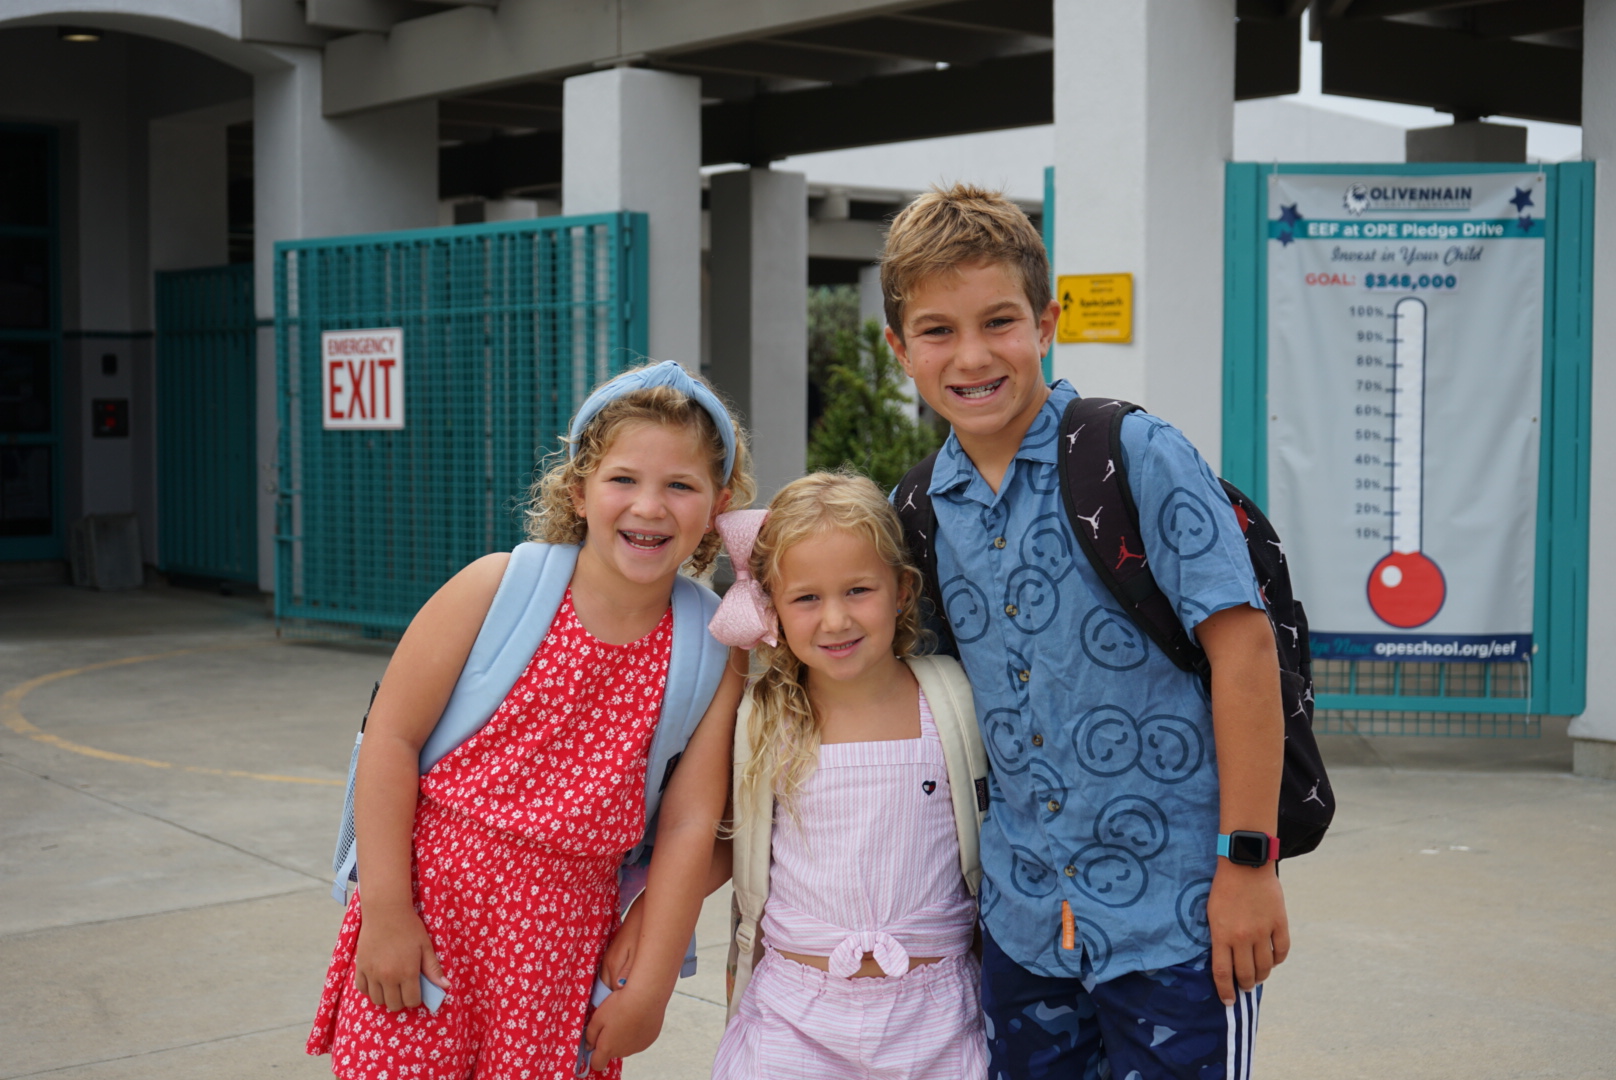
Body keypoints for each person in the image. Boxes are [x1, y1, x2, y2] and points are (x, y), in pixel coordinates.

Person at [881, 185, 1289, 1079]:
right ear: (899, 348)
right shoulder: (913, 512)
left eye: (999, 322)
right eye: (939, 331)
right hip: (1022, 929)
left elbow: (1243, 650)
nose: (974, 355)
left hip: (1180, 918)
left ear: (1047, 320)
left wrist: (1249, 863)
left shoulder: (1132, 455)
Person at [305, 360, 752, 1080]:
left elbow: (690, 823)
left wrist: (655, 981)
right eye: (623, 480)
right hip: (429, 925)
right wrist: (385, 909)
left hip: (564, 955)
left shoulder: (712, 645)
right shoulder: (493, 587)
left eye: (681, 485)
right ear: (579, 490)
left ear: (716, 504)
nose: (650, 506)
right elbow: (390, 738)